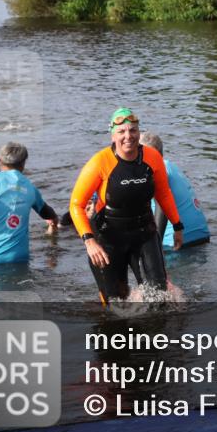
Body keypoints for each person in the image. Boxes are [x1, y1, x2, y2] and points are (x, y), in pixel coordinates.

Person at [69, 108, 183, 305]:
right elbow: (76, 205)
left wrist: (178, 226)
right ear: (113, 135)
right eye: (122, 131)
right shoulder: (100, 162)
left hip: (144, 233)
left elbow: (163, 193)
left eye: (133, 130)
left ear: (139, 133)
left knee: (159, 295)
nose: (128, 136)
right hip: (109, 238)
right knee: (115, 303)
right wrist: (89, 242)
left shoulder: (152, 158)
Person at [139, 132, 211, 248]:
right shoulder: (170, 166)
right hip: (201, 237)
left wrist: (156, 247)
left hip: (177, 244)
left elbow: (162, 203)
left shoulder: (153, 170)